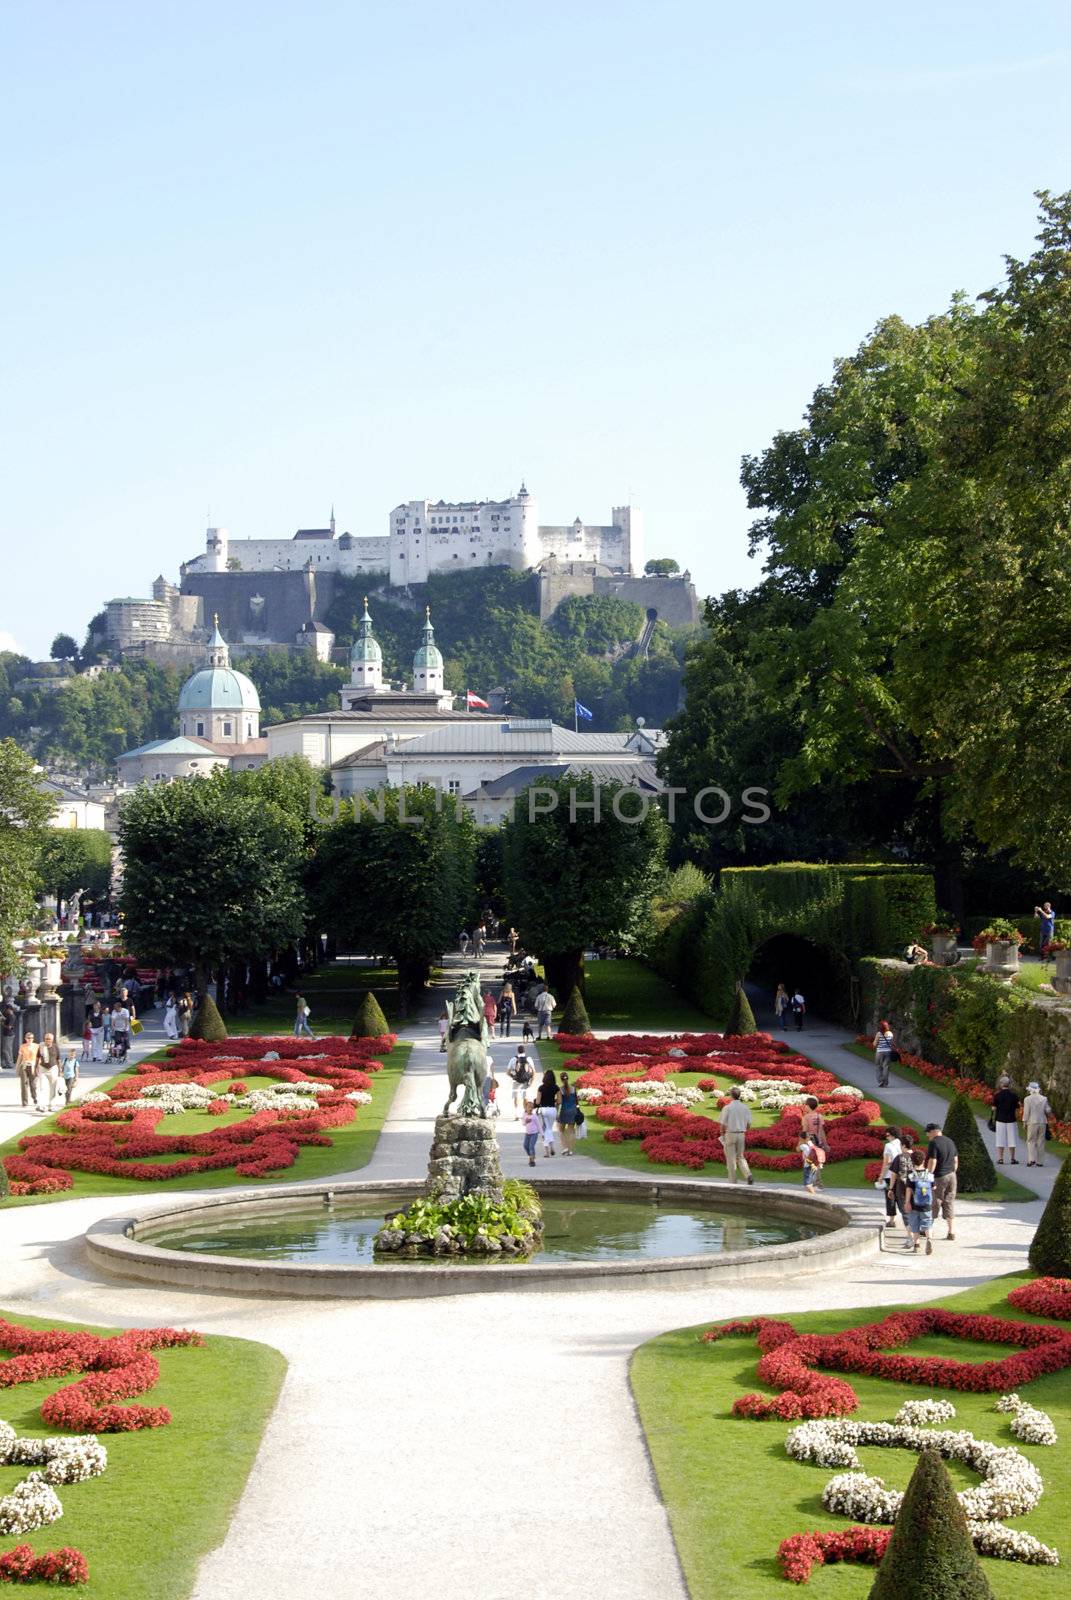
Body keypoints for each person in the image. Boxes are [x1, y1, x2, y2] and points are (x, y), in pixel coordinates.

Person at [924, 1119, 959, 1240]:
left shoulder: (934, 1143)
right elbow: (955, 1160)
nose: (927, 1135)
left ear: (934, 1132)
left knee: (935, 1201)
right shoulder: (950, 1141)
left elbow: (933, 1160)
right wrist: (952, 1171)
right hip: (951, 1175)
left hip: (939, 1176)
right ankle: (951, 1231)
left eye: (928, 1132)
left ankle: (928, 1229)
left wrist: (928, 1175)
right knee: (949, 1201)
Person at [718, 1085, 753, 1184]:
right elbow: (749, 1123)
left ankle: (733, 1182)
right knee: (740, 1156)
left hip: (730, 1133)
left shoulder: (728, 1108)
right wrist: (744, 1130)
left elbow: (723, 1124)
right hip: (741, 1134)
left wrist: (722, 1134)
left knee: (731, 1158)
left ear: (731, 1096)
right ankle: (748, 1175)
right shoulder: (745, 1107)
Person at [905, 1149, 935, 1254]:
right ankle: (929, 1239)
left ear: (912, 1161)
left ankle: (917, 1245)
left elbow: (909, 1189)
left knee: (914, 1224)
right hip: (926, 1204)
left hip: (914, 1204)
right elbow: (934, 1187)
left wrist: (907, 1202)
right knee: (927, 1223)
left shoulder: (911, 1175)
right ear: (923, 1160)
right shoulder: (929, 1174)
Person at [877, 1125, 903, 1228]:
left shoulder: (888, 1146)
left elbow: (886, 1162)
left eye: (887, 1135)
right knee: (901, 1196)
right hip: (901, 1174)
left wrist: (881, 1176)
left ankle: (892, 1220)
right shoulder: (902, 1144)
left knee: (890, 1197)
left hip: (889, 1175)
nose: (886, 1137)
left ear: (891, 1135)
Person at [991, 1074, 1021, 1165]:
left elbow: (993, 1108)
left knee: (1000, 1139)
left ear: (1001, 1084)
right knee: (1012, 1139)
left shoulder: (997, 1095)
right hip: (1011, 1119)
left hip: (1000, 1119)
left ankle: (1001, 1158)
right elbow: (1018, 1107)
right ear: (1009, 1084)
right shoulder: (1013, 1095)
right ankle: (1012, 1158)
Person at [888, 1135, 916, 1229]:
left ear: (903, 1145)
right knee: (916, 1211)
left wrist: (891, 1188)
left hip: (902, 1189)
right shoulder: (917, 1156)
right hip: (916, 1189)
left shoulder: (899, 1158)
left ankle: (911, 1236)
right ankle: (919, 1231)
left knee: (905, 1212)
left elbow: (894, 1175)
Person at [1022, 1081, 1052, 1167]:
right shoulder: (1044, 1098)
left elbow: (1026, 1112)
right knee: (1041, 1141)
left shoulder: (1027, 1099)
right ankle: (1040, 1161)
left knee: (1031, 1141)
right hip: (1042, 1122)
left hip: (1032, 1122)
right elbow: (1048, 1110)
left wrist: (1024, 1122)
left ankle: (1032, 1160)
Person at [16, 1031, 41, 1111]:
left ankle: (34, 1097)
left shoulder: (37, 1046)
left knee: (33, 1084)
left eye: (32, 1038)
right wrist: (17, 1068)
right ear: (26, 1039)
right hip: (24, 1066)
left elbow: (39, 1058)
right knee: (24, 1084)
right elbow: (20, 1058)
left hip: (33, 1066)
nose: (30, 1039)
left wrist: (39, 1067)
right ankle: (24, 1102)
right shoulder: (22, 1046)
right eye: (29, 1038)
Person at [536, 1069, 558, 1156]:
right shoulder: (556, 1087)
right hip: (553, 1110)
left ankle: (547, 1151)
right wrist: (553, 1100)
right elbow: (559, 1101)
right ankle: (552, 1147)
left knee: (544, 1130)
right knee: (549, 1129)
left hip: (544, 1110)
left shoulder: (541, 1088)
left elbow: (537, 1102)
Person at [507, 1045, 534, 1117]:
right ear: (525, 1051)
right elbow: (534, 1072)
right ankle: (526, 1113)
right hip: (525, 1081)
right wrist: (531, 1082)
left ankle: (516, 1114)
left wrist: (513, 1076)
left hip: (516, 1081)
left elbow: (507, 1072)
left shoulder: (513, 1059)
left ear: (517, 1051)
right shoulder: (529, 1059)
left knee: (516, 1097)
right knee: (525, 1097)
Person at [557, 1072, 580, 1155]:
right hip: (573, 1111)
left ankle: (565, 1147)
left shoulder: (560, 1090)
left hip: (564, 1111)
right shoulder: (573, 1088)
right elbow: (576, 1101)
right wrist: (578, 1110)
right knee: (571, 1131)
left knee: (561, 1130)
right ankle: (570, 1150)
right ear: (568, 1078)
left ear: (561, 1079)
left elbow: (559, 1102)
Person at [39, 1033, 62, 1111]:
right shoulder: (41, 1046)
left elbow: (58, 1059)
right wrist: (35, 1068)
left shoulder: (55, 1047)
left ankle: (52, 1105)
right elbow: (37, 1057)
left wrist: (60, 1070)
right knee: (43, 1087)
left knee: (53, 1087)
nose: (47, 1040)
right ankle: (42, 1105)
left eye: (49, 1039)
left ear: (52, 1040)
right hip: (43, 1069)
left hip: (53, 1068)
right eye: (46, 1039)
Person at [873, 1019, 896, 1089]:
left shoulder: (879, 1034)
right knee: (886, 1067)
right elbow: (892, 1044)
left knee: (878, 1066)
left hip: (879, 1052)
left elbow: (874, 1044)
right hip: (888, 1052)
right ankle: (885, 1083)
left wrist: (875, 1043)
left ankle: (880, 1081)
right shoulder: (890, 1033)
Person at [521, 1100, 540, 1167]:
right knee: (525, 1146)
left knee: (531, 1146)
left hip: (534, 1134)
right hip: (527, 1134)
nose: (530, 1108)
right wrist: (526, 1122)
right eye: (529, 1107)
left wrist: (542, 1134)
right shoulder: (525, 1115)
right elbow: (523, 1123)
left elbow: (539, 1125)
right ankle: (531, 1155)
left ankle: (532, 1161)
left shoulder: (534, 1116)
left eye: (532, 1107)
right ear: (526, 1108)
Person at [0, 998, 18, 1071]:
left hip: (8, 1034)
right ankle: (7, 1062)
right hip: (8, 1034)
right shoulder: (8, 1015)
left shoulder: (11, 1016)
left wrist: (2, 1024)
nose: (6, 1011)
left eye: (7, 1009)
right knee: (8, 1049)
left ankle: (9, 1063)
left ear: (9, 1009)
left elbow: (9, 1027)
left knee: (6, 1049)